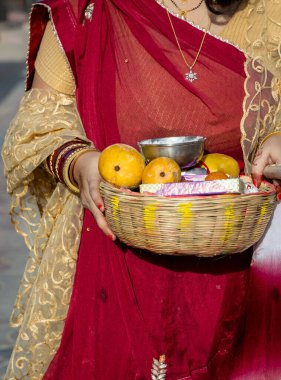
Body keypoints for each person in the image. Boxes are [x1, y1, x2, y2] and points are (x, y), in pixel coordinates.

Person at [2, 0, 281, 378]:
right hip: (115, 265)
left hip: (238, 271)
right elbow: (40, 119)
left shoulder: (268, 11)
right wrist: (81, 164)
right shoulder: (91, 8)